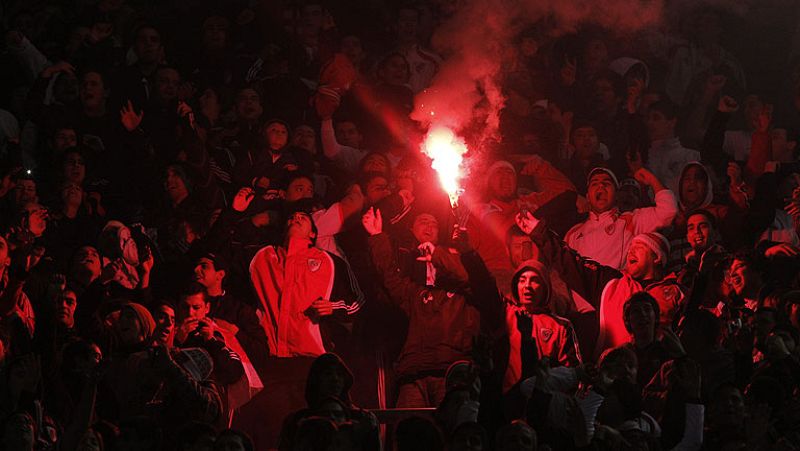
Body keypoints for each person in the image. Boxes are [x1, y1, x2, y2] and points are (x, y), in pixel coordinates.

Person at [362, 207, 502, 407]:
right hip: (414, 375)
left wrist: (441, 254)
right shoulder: (420, 295)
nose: (442, 263)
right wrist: (377, 236)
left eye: (449, 258)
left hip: (453, 375)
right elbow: (390, 277)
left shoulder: (469, 297)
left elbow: (479, 280)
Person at [516, 210, 685, 358]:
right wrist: (540, 233)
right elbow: (574, 264)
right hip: (614, 372)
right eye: (630, 246)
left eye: (639, 246)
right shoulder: (612, 283)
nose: (631, 251)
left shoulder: (676, 290)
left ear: (656, 257)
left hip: (656, 372)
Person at [565, 166, 677, 269]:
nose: (601, 186)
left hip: (616, 289)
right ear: (588, 197)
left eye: (606, 183)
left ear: (616, 195)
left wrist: (651, 178)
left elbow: (667, 211)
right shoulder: (573, 234)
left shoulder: (630, 221)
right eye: (594, 183)